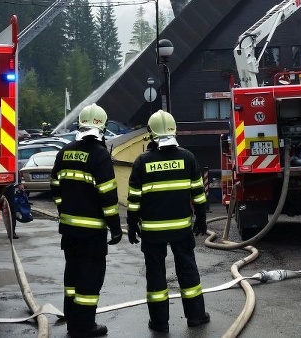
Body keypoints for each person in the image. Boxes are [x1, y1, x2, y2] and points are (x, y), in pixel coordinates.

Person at [127, 110, 211, 333]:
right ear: (174, 131)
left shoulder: (142, 162)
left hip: (152, 232)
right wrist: (201, 218)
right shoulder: (187, 158)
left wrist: (132, 224)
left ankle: (159, 323)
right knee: (188, 270)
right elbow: (198, 193)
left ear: (150, 133)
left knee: (155, 276)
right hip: (181, 229)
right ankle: (196, 316)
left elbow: (134, 199)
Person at [49, 103, 122, 338]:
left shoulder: (65, 151)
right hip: (92, 233)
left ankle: (71, 316)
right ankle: (83, 326)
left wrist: (64, 211)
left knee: (72, 274)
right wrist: (116, 227)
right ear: (102, 126)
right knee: (90, 278)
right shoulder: (100, 155)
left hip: (69, 230)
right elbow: (108, 196)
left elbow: (55, 187)